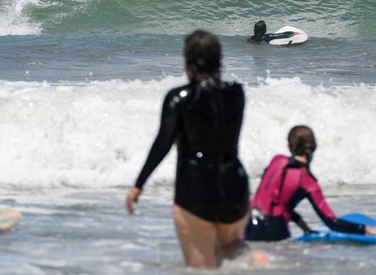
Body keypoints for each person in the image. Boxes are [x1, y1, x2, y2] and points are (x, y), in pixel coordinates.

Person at [126, 30, 250, 269]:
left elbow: (163, 143)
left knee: (202, 269)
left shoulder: (179, 98)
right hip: (235, 188)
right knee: (234, 256)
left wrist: (138, 184)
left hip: (196, 190)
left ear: (188, 60)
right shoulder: (237, 94)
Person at [246, 125, 376, 241]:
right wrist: (366, 229)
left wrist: (303, 226)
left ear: (289, 147)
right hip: (275, 230)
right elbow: (332, 222)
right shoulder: (308, 182)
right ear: (315, 147)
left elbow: (272, 201)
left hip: (249, 223)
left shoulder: (276, 161)